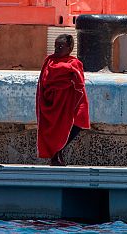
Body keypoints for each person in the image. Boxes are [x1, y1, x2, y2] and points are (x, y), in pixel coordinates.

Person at [36, 34, 90, 166]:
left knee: (79, 122)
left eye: (61, 46)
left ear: (70, 48)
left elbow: (79, 82)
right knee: (53, 129)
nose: (57, 49)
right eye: (56, 46)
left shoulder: (75, 63)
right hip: (53, 101)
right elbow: (44, 81)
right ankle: (56, 154)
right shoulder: (49, 61)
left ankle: (58, 151)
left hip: (70, 100)